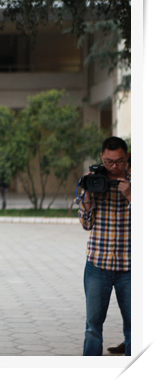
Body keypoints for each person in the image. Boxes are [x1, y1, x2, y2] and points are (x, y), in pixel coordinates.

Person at [76, 136, 131, 356]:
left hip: (131, 266)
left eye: (119, 161)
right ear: (101, 157)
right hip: (98, 265)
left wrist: (130, 195)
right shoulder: (94, 180)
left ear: (127, 157)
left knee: (136, 326)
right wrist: (88, 193)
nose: (114, 167)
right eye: (109, 162)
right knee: (92, 328)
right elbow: (86, 225)